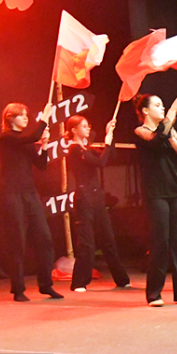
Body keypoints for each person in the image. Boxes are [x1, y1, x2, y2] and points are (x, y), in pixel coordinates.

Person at [133, 92, 177, 307]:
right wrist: (171, 114)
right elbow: (155, 141)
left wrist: (175, 142)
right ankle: (154, 294)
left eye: (163, 106)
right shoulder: (141, 131)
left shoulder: (170, 130)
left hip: (176, 189)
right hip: (156, 192)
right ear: (145, 111)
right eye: (158, 105)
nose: (162, 108)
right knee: (160, 242)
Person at [0, 101, 64, 302]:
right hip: (12, 194)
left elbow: (41, 165)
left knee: (44, 238)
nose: (26, 118)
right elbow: (34, 135)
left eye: (27, 114)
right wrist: (45, 118)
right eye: (22, 115)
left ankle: (45, 285)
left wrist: (44, 147)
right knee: (18, 241)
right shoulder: (7, 138)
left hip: (30, 194)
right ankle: (18, 289)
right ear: (10, 118)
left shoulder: (26, 142)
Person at [65, 115, 131, 292]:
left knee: (108, 238)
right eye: (84, 126)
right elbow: (100, 162)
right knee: (86, 241)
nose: (88, 128)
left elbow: (110, 156)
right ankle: (79, 282)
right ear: (73, 130)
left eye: (88, 125)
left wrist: (110, 135)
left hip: (97, 196)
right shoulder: (75, 149)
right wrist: (107, 143)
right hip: (84, 197)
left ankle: (121, 279)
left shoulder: (86, 148)